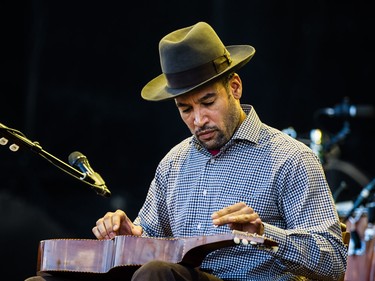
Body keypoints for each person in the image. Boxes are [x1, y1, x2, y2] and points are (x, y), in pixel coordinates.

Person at [26, 21, 347, 281]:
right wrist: (129, 236)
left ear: (234, 87)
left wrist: (264, 233)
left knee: (158, 274)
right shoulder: (174, 164)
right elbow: (148, 242)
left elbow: (334, 261)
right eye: (185, 109)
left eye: (208, 102)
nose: (198, 119)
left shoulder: (289, 158)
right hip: (173, 277)